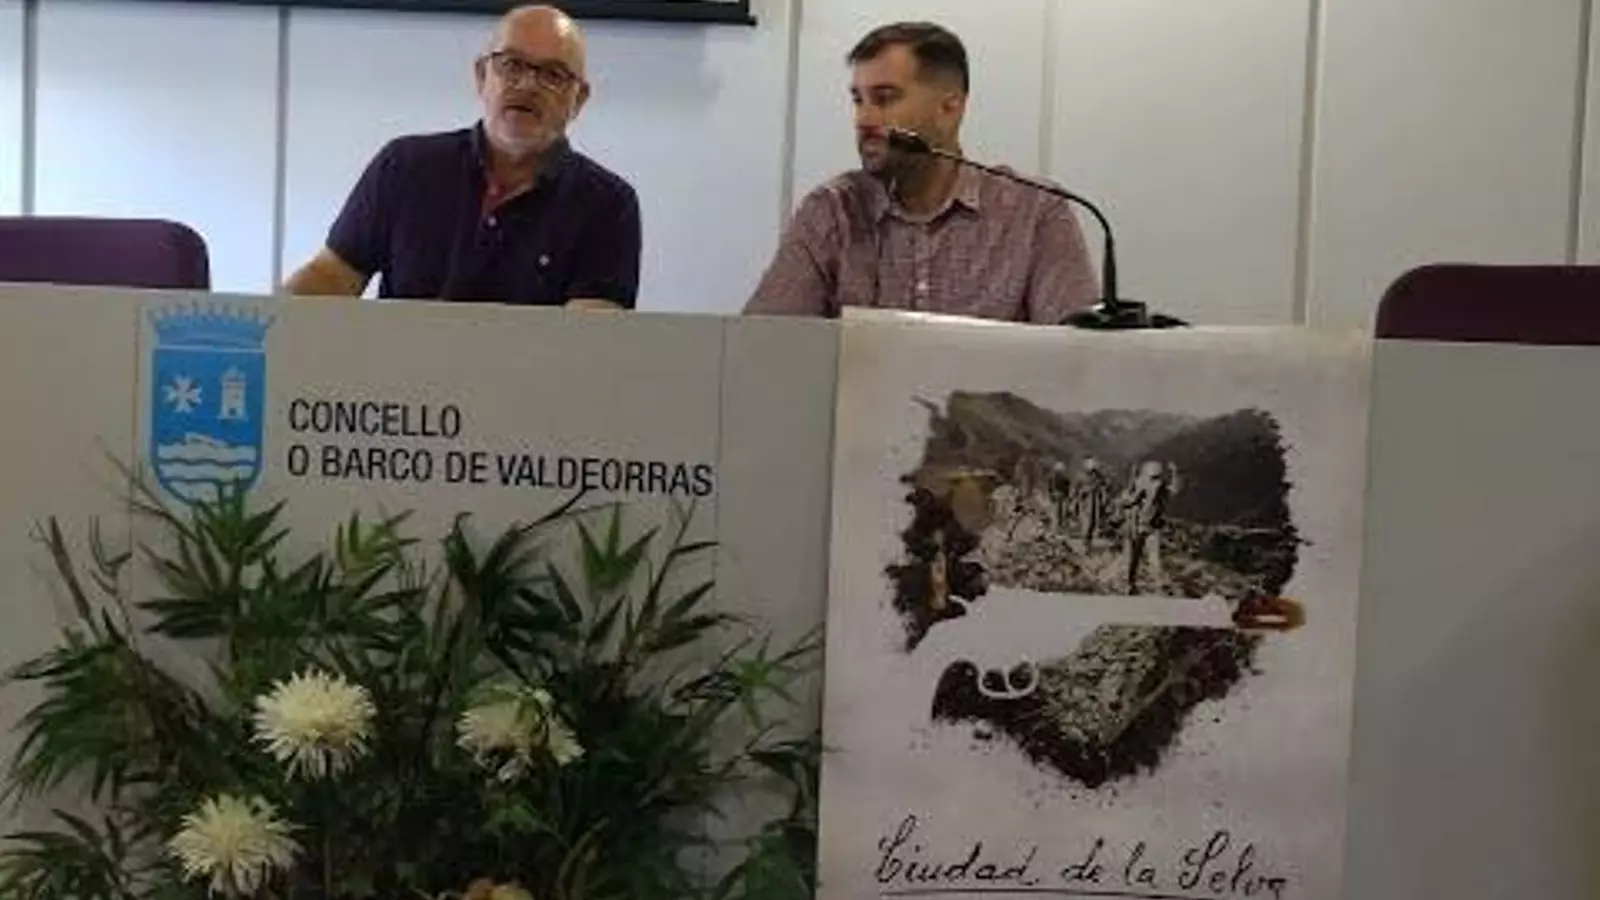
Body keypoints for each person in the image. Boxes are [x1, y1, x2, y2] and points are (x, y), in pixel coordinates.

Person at [281, 5, 641, 311]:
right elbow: (331, 276)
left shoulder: (608, 204)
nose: (527, 84)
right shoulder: (405, 166)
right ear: (482, 76)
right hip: (401, 372)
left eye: (552, 75)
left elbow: (590, 343)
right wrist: (269, 321)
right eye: (511, 64)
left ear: (578, 100)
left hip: (528, 376)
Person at [744, 21, 1097, 323]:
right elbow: (762, 348)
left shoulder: (1035, 213)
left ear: (949, 108)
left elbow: (1077, 363)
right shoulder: (832, 211)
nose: (864, 119)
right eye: (858, 100)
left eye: (884, 99)